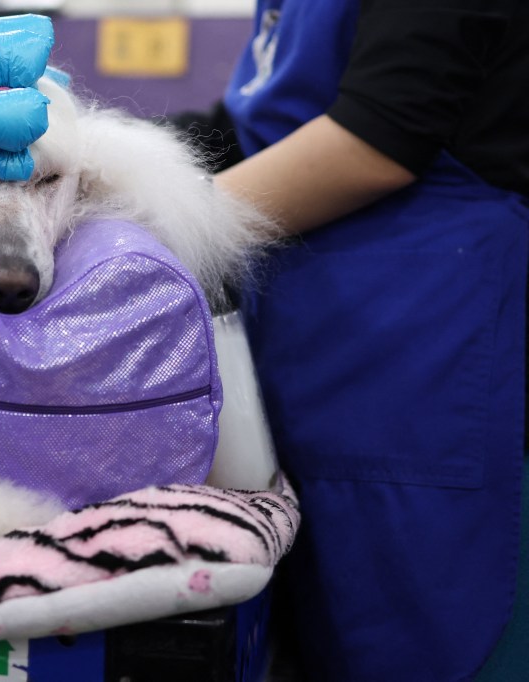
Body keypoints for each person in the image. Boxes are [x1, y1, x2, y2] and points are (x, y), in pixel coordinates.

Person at [172, 0, 528, 679]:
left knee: (435, 618)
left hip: (436, 349)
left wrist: (166, 230)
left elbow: (379, 140)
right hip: (323, 353)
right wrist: (100, 155)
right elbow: (247, 127)